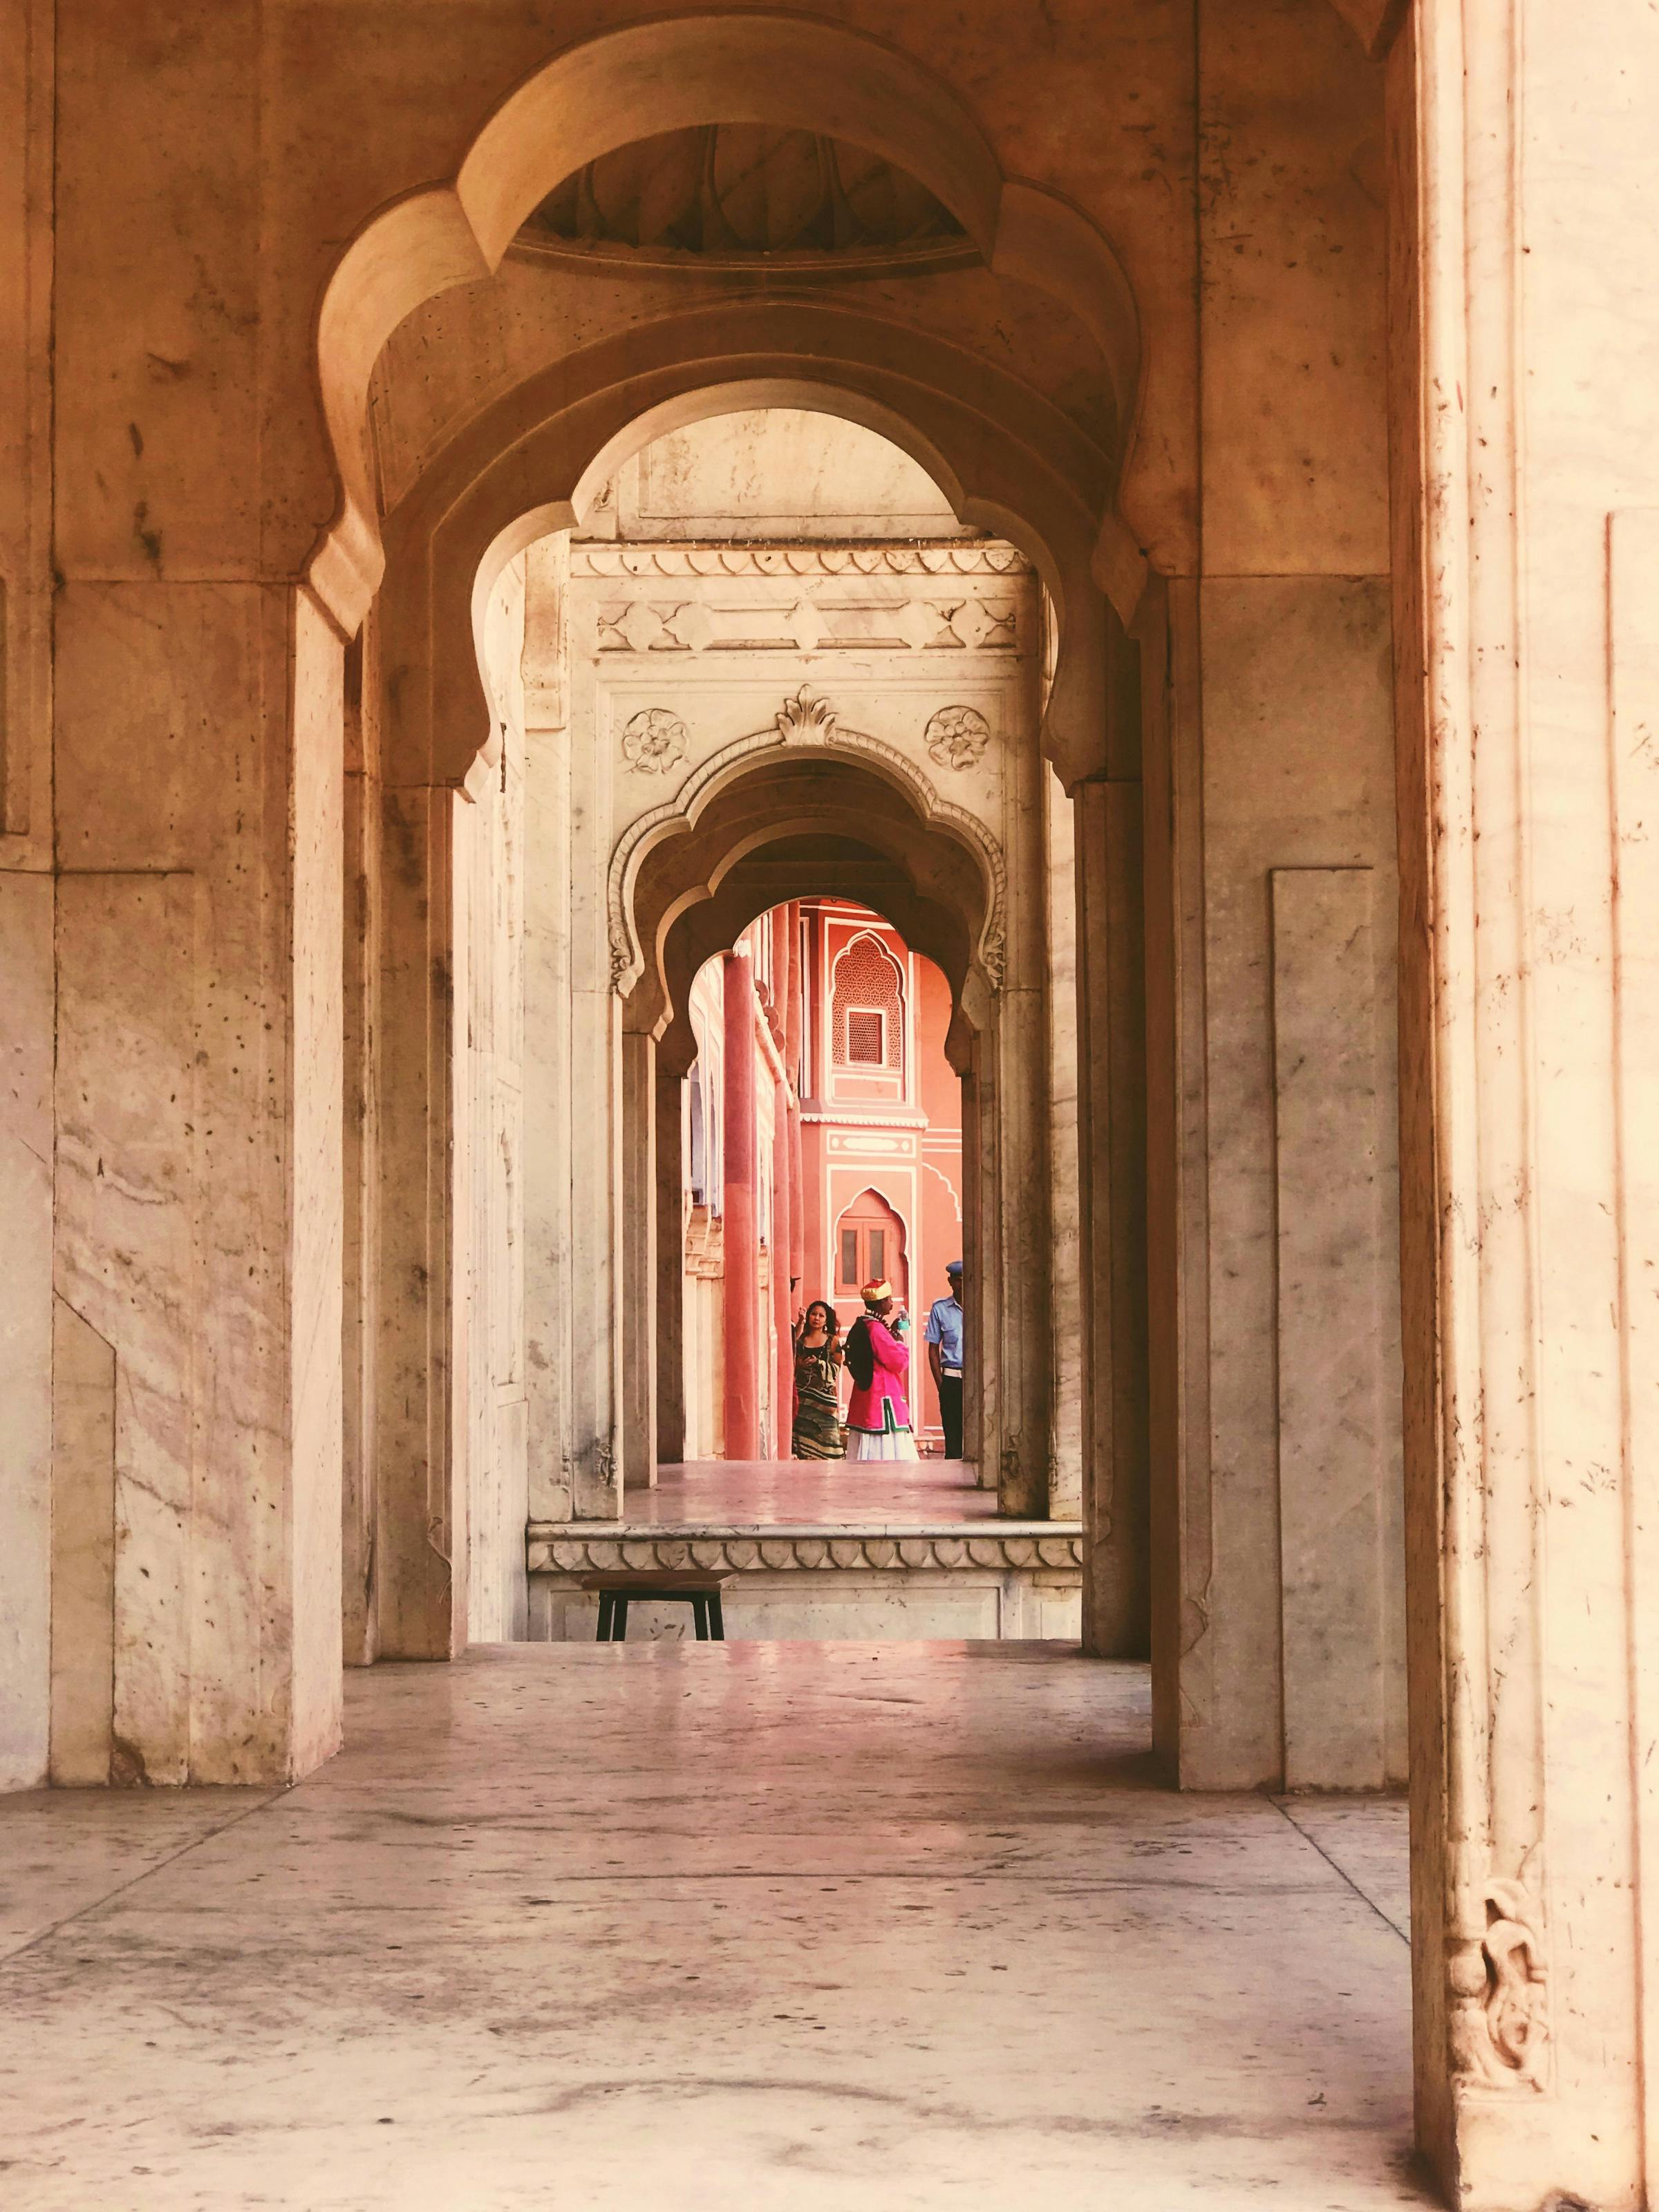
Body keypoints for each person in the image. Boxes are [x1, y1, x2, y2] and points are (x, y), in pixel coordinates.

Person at [842, 1280, 919, 1461]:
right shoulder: (876, 1329)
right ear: (880, 1302)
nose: (892, 1303)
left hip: (868, 1396)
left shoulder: (866, 1325)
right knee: (886, 1449)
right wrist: (899, 1341)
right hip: (882, 1395)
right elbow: (898, 1362)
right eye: (889, 1299)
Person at [791, 1300, 845, 1459]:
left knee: (828, 1438)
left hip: (825, 1401)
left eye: (821, 1315)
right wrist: (800, 1365)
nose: (817, 1318)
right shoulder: (801, 1340)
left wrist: (819, 1363)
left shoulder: (833, 1341)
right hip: (803, 1399)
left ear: (826, 1320)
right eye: (814, 1314)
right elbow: (791, 1360)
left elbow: (836, 1368)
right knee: (803, 1438)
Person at [925, 1261, 966, 1459]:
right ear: (951, 1282)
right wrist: (941, 1384)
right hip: (951, 1379)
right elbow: (933, 1348)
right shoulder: (940, 1309)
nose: (963, 1285)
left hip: (979, 1381)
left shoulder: (984, 1307)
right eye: (958, 1281)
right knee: (953, 1437)